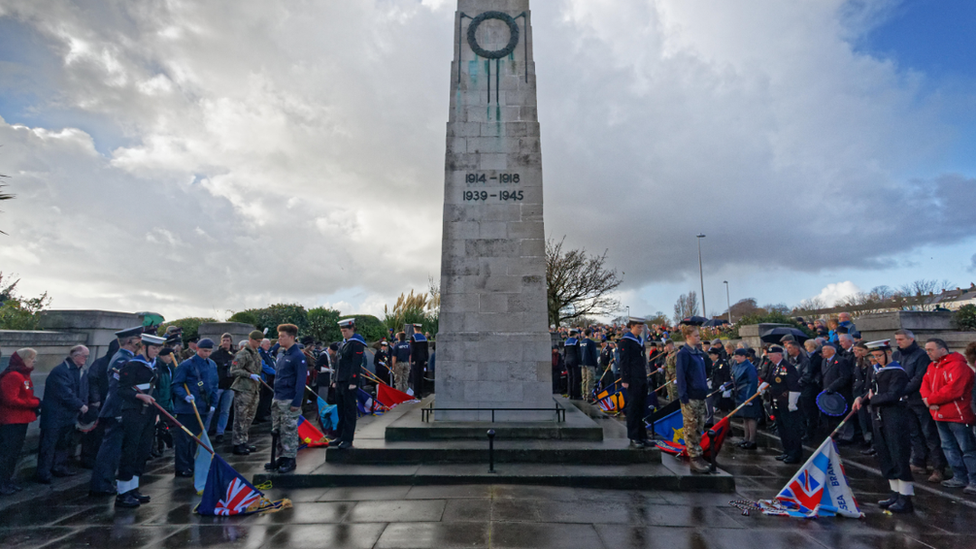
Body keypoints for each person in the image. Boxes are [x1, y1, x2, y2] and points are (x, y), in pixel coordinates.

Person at [853, 340, 914, 513]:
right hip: (879, 417)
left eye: (879, 355)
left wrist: (872, 400)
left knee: (898, 454)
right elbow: (871, 391)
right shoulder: (876, 371)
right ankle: (894, 492)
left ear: (888, 353)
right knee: (885, 455)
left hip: (895, 417)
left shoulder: (897, 372)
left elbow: (893, 395)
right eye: (874, 356)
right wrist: (861, 398)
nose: (877, 359)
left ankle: (905, 497)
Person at [90, 326, 144, 496]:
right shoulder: (121, 359)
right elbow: (119, 387)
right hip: (117, 409)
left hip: (121, 409)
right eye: (137, 338)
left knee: (115, 449)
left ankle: (105, 482)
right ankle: (101, 484)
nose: (140, 341)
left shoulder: (127, 357)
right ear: (129, 340)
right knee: (110, 450)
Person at [113, 333, 164, 508]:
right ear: (144, 348)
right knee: (131, 449)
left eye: (158, 348)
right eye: (154, 348)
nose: (156, 351)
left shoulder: (154, 365)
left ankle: (133, 488)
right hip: (134, 411)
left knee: (143, 450)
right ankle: (123, 492)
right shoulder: (132, 365)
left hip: (149, 412)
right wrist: (139, 396)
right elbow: (121, 390)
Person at [920, 338, 976, 494]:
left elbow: (953, 390)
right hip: (939, 414)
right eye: (927, 350)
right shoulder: (932, 366)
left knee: (967, 448)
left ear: (943, 350)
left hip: (958, 415)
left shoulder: (958, 366)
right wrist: (928, 400)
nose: (928, 353)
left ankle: (973, 479)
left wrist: (930, 400)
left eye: (930, 350)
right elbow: (924, 385)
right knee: (949, 447)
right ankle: (960, 476)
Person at [894, 329, 947, 483]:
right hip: (906, 400)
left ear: (911, 339)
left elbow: (919, 378)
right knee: (914, 433)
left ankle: (938, 467)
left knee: (929, 433)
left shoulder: (921, 356)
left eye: (901, 339)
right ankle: (919, 462)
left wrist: (901, 390)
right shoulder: (898, 355)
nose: (898, 342)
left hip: (919, 400)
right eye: (897, 339)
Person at [36, 345, 90, 483]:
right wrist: (81, 405)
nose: (86, 359)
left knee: (64, 443)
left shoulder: (79, 371)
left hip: (68, 415)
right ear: (75, 356)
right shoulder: (60, 371)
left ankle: (58, 467)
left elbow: (82, 390)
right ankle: (44, 472)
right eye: (84, 356)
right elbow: (65, 393)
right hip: (55, 415)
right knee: (49, 445)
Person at [171, 338, 219, 478]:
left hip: (204, 407)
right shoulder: (186, 365)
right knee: (184, 439)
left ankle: (192, 464)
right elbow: (176, 384)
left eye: (209, 351)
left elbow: (214, 385)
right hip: (187, 408)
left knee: (196, 439)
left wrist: (214, 404)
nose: (207, 354)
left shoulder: (212, 365)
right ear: (197, 349)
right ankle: (182, 467)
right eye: (204, 351)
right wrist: (185, 396)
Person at [0, 349, 42, 495]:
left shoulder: (24, 375)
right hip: (12, 420)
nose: (34, 361)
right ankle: (2, 482)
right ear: (23, 360)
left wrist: (32, 402)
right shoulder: (13, 376)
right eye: (31, 358)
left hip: (21, 419)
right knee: (7, 453)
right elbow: (10, 399)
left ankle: (7, 480)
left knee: (13, 453)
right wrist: (33, 402)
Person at [270, 324, 306, 472]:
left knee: (289, 431)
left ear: (292, 337)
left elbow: (301, 381)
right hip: (278, 397)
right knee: (277, 429)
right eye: (279, 336)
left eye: (282, 336)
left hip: (289, 399)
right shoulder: (282, 354)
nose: (279, 339)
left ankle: (290, 459)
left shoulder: (298, 356)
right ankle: (281, 457)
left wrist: (297, 402)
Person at [675, 326, 710, 473]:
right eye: (696, 336)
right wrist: (683, 395)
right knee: (691, 427)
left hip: (700, 394)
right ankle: (693, 457)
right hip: (690, 396)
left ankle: (698, 453)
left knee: (699, 426)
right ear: (688, 337)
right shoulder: (684, 354)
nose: (698, 338)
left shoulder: (698, 353)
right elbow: (681, 376)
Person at [81, 339, 119, 468]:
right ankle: (89, 458)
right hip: (100, 403)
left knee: (104, 434)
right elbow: (92, 382)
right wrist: (95, 401)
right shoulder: (101, 363)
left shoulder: (109, 362)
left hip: (109, 403)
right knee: (95, 434)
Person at [230, 330, 265, 456]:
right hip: (243, 389)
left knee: (249, 416)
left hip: (254, 389)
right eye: (258, 341)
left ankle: (244, 440)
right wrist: (249, 375)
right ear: (251, 339)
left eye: (261, 342)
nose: (259, 344)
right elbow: (233, 370)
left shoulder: (256, 353)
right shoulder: (243, 354)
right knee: (241, 417)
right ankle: (237, 443)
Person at [766, 345, 803, 464]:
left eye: (772, 356)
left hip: (786, 402)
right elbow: (769, 380)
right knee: (781, 427)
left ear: (779, 355)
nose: (770, 358)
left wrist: (792, 403)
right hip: (777, 401)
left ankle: (794, 453)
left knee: (791, 428)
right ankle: (786, 450)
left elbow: (793, 386)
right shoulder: (773, 366)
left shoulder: (788, 367)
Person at [334, 319, 366, 450]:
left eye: (345, 331)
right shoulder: (344, 343)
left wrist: (353, 381)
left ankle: (347, 438)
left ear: (352, 329)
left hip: (349, 381)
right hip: (340, 380)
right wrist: (334, 379)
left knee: (349, 410)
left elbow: (355, 363)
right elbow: (338, 363)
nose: (344, 333)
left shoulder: (356, 343)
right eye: (342, 331)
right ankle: (340, 436)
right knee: (340, 410)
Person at [619, 318, 649, 448]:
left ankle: (642, 435)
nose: (640, 329)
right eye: (638, 327)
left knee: (642, 407)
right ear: (631, 326)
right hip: (632, 378)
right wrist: (625, 379)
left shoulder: (639, 341)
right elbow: (624, 361)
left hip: (641, 376)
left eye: (642, 327)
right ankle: (634, 436)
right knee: (633, 407)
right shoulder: (626, 341)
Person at [820, 342, 854, 442]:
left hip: (840, 392)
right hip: (829, 392)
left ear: (832, 350)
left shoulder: (841, 361)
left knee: (843, 414)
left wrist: (832, 387)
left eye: (825, 349)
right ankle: (837, 434)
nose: (823, 351)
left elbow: (844, 377)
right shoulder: (824, 361)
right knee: (834, 414)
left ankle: (846, 436)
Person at [207, 333, 237, 442]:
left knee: (225, 410)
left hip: (229, 385)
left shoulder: (234, 354)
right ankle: (206, 430)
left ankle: (220, 432)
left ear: (231, 342)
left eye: (227, 340)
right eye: (223, 340)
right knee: (212, 409)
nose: (225, 342)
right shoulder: (215, 355)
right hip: (218, 385)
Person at [731, 349, 760, 449]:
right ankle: (746, 438)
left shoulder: (749, 367)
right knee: (745, 417)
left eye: (738, 356)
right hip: (739, 394)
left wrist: (750, 398)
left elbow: (752, 382)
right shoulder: (736, 365)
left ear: (744, 356)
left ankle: (752, 440)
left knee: (751, 417)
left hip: (747, 394)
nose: (736, 358)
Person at [153, 347, 177, 457]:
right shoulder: (157, 368)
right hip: (159, 403)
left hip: (166, 402)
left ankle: (160, 447)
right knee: (156, 428)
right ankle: (155, 448)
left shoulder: (168, 368)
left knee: (163, 426)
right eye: (168, 356)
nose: (171, 358)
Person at [256, 338, 276, 424]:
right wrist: (275, 373)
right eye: (267, 344)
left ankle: (263, 414)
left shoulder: (268, 353)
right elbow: (263, 366)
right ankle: (259, 415)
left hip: (270, 378)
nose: (269, 345)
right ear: (262, 345)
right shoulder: (260, 354)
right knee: (263, 398)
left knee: (267, 398)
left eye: (269, 344)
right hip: (265, 379)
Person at [410, 324, 429, 399]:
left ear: (415, 329)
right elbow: (426, 349)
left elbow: (412, 349)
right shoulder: (424, 338)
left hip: (416, 359)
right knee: (421, 376)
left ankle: (416, 393)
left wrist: (413, 359)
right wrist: (426, 359)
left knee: (415, 376)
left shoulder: (413, 337)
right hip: (423, 359)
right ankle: (421, 392)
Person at [580, 329, 599, 402]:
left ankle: (584, 395)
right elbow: (593, 355)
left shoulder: (581, 342)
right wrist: (595, 364)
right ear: (590, 333)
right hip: (590, 363)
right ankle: (589, 397)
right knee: (590, 380)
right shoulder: (591, 343)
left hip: (583, 363)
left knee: (584, 380)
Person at [563, 329, 582, 400]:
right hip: (574, 360)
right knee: (575, 377)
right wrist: (580, 362)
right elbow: (578, 353)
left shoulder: (566, 342)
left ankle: (570, 393)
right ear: (575, 334)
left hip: (567, 360)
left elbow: (564, 353)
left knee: (569, 377)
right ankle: (576, 394)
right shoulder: (576, 341)